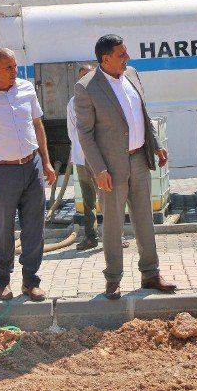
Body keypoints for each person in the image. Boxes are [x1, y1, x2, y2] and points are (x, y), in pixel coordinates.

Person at [73, 34, 177, 300]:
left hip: (139, 160)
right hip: (111, 167)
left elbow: (141, 114)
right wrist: (100, 170)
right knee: (113, 225)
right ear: (105, 59)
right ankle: (113, 279)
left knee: (145, 219)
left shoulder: (131, 74)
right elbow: (85, 134)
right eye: (121, 55)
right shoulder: (87, 88)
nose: (127, 58)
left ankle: (150, 274)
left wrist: (154, 144)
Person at [0, 48, 57, 301]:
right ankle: (2, 280)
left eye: (15, 66)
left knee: (34, 226)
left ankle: (31, 281)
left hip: (32, 166)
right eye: (7, 68)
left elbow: (37, 125)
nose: (14, 72)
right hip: (1, 172)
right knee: (2, 228)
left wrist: (46, 162)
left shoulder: (26, 89)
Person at [67, 64, 129, 251]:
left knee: (108, 199)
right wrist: (81, 153)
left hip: (102, 158)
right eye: (82, 77)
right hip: (82, 157)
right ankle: (90, 237)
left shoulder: (106, 98)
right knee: (88, 200)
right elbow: (73, 131)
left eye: (89, 76)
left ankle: (117, 236)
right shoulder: (72, 102)